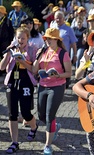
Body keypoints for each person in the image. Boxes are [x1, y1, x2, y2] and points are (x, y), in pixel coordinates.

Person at [32, 28, 72, 154]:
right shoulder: (43, 52)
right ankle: (55, 126)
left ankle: (48, 145)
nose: (48, 40)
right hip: (43, 85)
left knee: (50, 116)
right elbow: (34, 70)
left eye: (50, 38)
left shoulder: (63, 53)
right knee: (41, 115)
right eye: (46, 38)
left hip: (57, 86)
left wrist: (58, 76)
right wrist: (38, 57)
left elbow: (69, 73)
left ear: (56, 39)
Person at [0, 25, 38, 154]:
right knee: (12, 113)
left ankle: (34, 126)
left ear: (27, 39)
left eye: (23, 38)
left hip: (26, 80)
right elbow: (1, 67)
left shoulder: (32, 50)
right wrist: (8, 53)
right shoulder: (11, 49)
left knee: (26, 112)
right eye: (18, 38)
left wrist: (22, 61)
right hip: (12, 81)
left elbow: (34, 70)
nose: (20, 40)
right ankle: (14, 142)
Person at [0, 5, 14, 73]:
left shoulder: (8, 21)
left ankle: (5, 72)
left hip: (5, 43)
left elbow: (11, 33)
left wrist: (10, 43)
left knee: (5, 57)